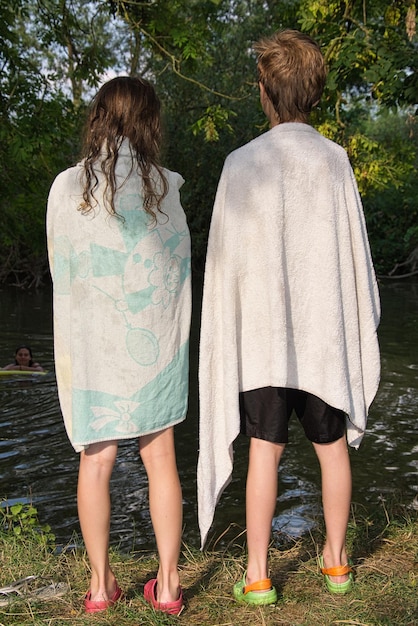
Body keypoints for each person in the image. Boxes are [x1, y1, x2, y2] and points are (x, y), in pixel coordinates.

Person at [197, 29, 380, 605]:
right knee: (333, 451)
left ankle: (257, 574)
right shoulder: (335, 160)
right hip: (324, 336)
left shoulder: (239, 163)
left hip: (263, 340)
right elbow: (356, 262)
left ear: (264, 92)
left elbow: (225, 267)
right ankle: (337, 560)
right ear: (314, 92)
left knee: (263, 452)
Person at [47, 76, 191, 616]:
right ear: (149, 122)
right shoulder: (165, 187)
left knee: (96, 460)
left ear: (99, 119)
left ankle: (101, 587)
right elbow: (177, 273)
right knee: (160, 459)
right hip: (152, 348)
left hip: (95, 349)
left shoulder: (67, 187)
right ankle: (170, 585)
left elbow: (61, 263)